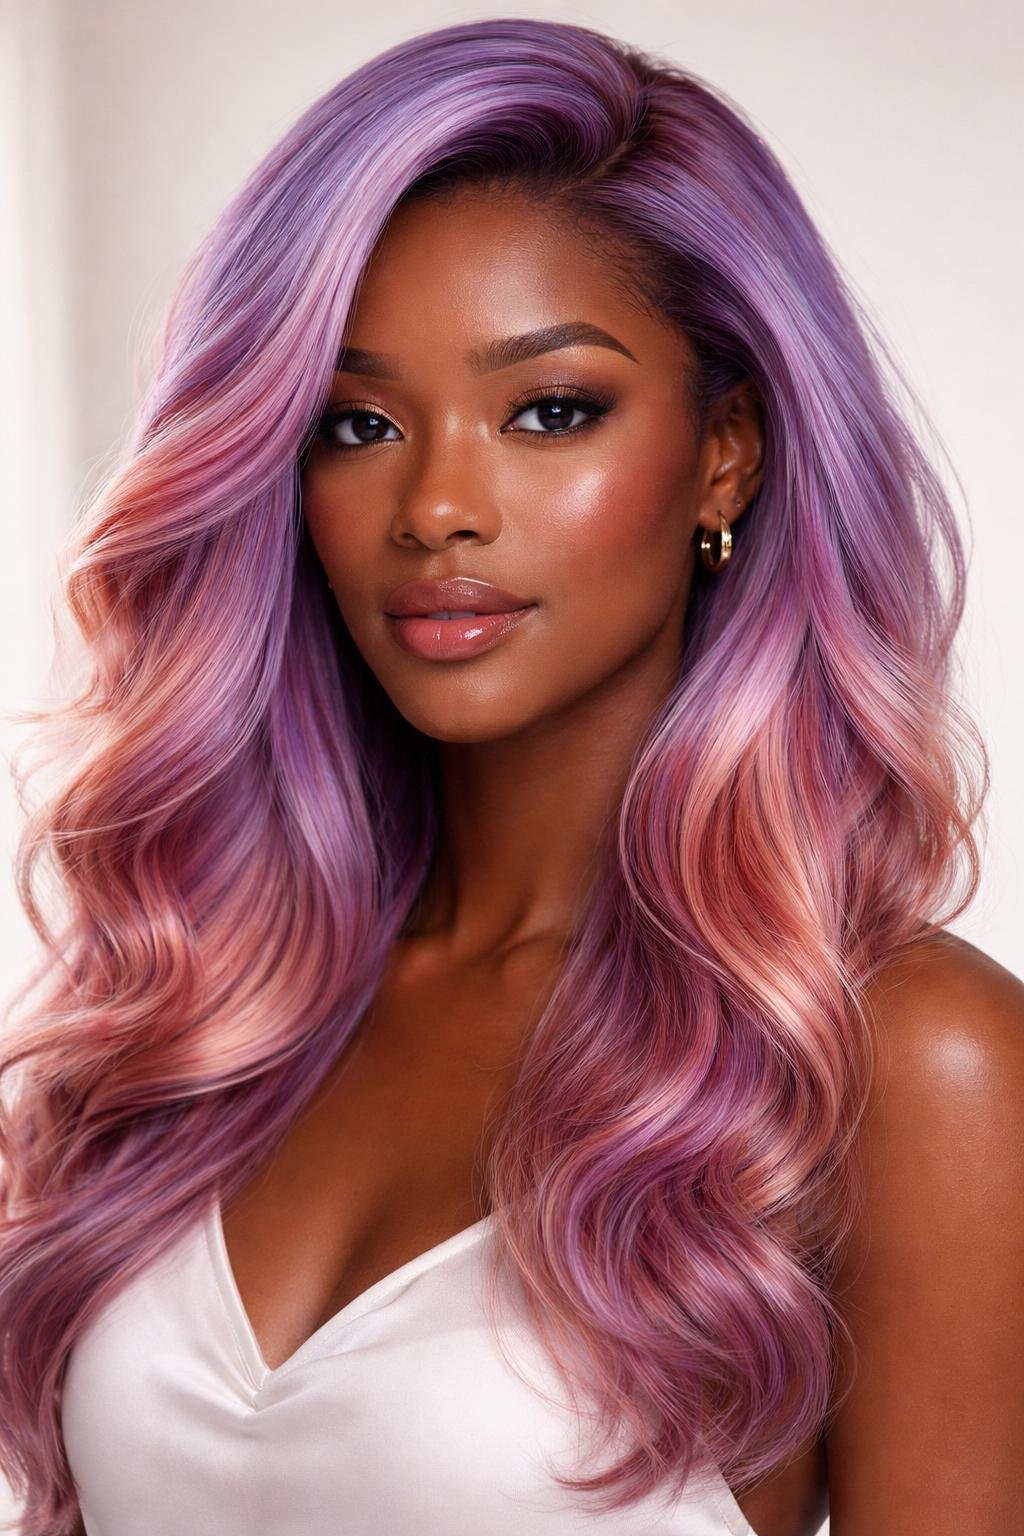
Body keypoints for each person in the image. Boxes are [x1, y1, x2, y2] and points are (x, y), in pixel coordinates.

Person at [1, 18, 1020, 1536]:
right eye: (357, 424)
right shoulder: (214, 1006)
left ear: (726, 454)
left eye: (550, 411)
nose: (438, 508)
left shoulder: (907, 1062)